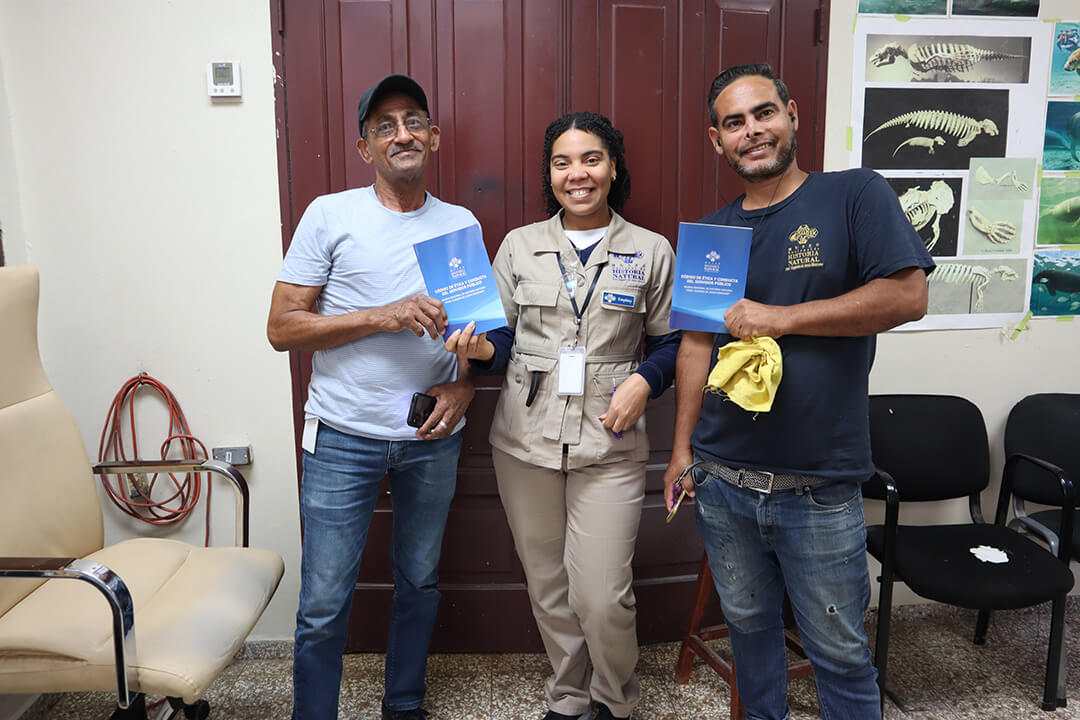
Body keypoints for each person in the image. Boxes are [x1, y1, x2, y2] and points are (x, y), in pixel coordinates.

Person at [661, 63, 934, 720]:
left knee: (839, 655)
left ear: (792, 116)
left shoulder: (854, 195)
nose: (752, 131)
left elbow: (908, 296)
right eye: (734, 123)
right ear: (716, 140)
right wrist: (680, 452)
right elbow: (695, 346)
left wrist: (781, 318)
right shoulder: (712, 234)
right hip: (723, 481)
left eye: (764, 113)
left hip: (817, 486)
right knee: (750, 636)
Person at [446, 112, 680, 720]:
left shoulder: (650, 250)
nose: (578, 174)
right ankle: (570, 696)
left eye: (591, 159)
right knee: (548, 586)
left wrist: (645, 380)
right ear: (550, 174)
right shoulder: (519, 246)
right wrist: (478, 351)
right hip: (525, 444)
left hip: (610, 443)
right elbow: (500, 341)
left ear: (613, 168)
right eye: (562, 162)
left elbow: (672, 343)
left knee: (603, 595)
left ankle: (615, 700)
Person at [267, 74, 478, 720]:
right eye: (385, 126)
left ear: (432, 137)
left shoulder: (459, 224)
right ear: (366, 148)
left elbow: (477, 332)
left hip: (431, 437)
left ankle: (404, 704)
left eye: (413, 121)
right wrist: (382, 316)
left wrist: (465, 385)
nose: (401, 134)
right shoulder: (330, 215)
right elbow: (282, 329)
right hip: (342, 437)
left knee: (420, 581)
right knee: (323, 602)